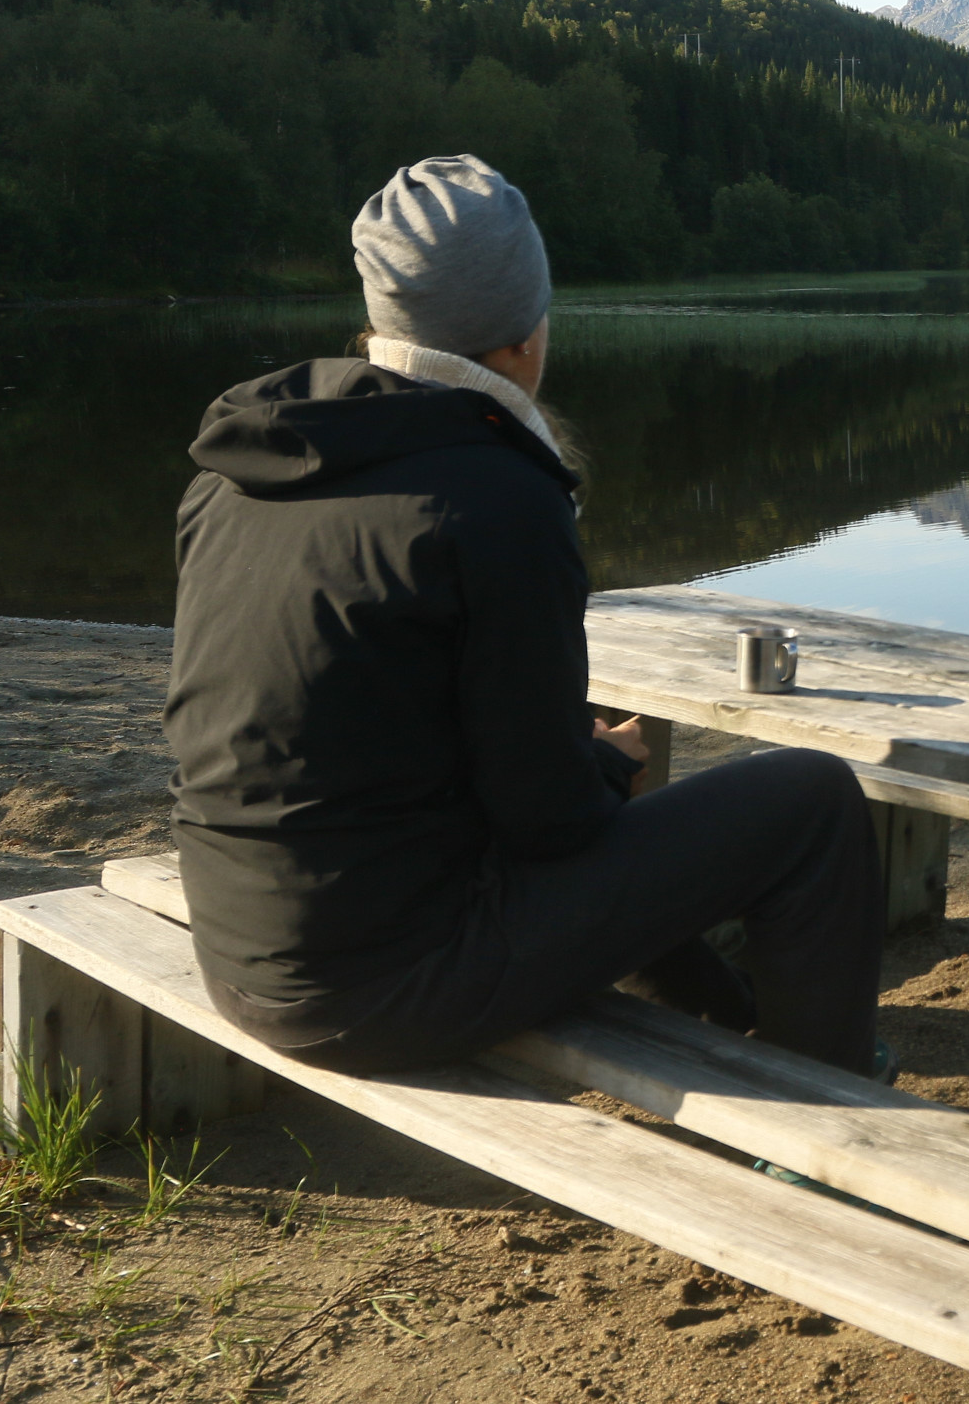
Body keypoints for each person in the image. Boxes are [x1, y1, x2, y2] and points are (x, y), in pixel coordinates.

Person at [165, 155, 889, 1080]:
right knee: (811, 800)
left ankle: (736, 1016)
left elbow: (363, 725)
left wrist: (578, 762)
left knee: (617, 810)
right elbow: (550, 825)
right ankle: (829, 1114)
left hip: (241, 952)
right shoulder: (498, 498)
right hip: (383, 987)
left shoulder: (235, 476)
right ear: (522, 334)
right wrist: (598, 762)